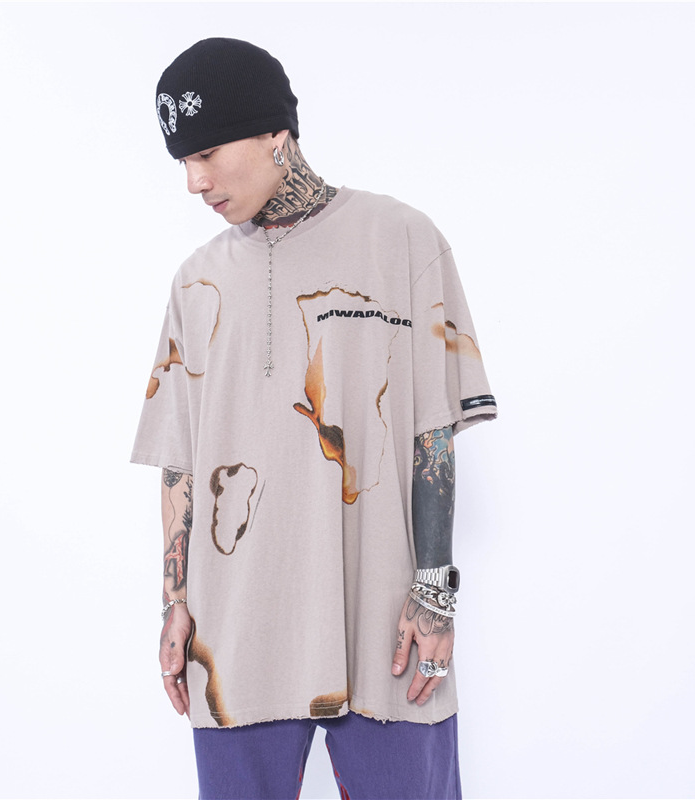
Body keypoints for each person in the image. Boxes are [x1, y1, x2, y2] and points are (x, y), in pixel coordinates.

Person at [131, 37, 497, 800]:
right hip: (233, 633)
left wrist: (435, 596)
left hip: (382, 619)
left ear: (277, 134)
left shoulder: (402, 240)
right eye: (182, 162)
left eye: (207, 153)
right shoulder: (195, 281)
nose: (194, 181)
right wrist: (174, 604)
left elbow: (432, 431)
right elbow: (180, 461)